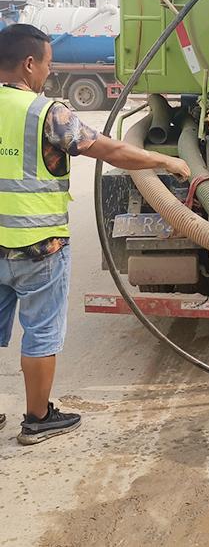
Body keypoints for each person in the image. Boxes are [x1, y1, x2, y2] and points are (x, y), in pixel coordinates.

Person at [0, 24, 190, 445]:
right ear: (29, 64)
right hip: (39, 246)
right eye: (47, 64)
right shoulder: (46, 113)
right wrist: (165, 161)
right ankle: (37, 418)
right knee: (41, 334)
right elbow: (112, 150)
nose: (48, 73)